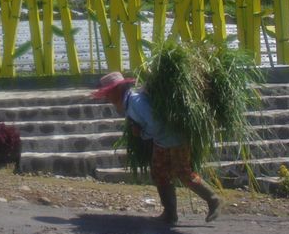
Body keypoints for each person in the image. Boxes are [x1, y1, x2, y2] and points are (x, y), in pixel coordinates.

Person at [92, 71, 222, 225]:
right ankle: (170, 213)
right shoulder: (129, 103)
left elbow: (155, 125)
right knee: (159, 173)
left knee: (184, 173)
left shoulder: (136, 102)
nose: (107, 98)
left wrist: (142, 133)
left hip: (174, 139)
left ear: (117, 90)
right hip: (162, 141)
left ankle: (213, 199)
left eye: (108, 93)